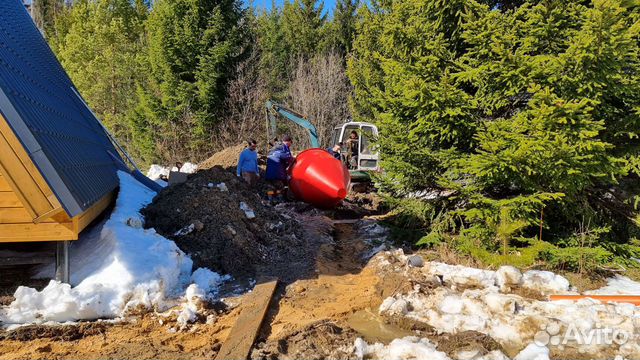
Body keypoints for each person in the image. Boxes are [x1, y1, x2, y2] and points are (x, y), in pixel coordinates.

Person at [265, 134, 293, 200]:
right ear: (288, 141)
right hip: (277, 172)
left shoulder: (274, 148)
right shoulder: (283, 148)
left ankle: (270, 200)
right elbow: (286, 157)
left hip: (269, 172)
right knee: (280, 187)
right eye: (290, 142)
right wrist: (293, 159)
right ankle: (279, 200)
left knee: (270, 187)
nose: (290, 145)